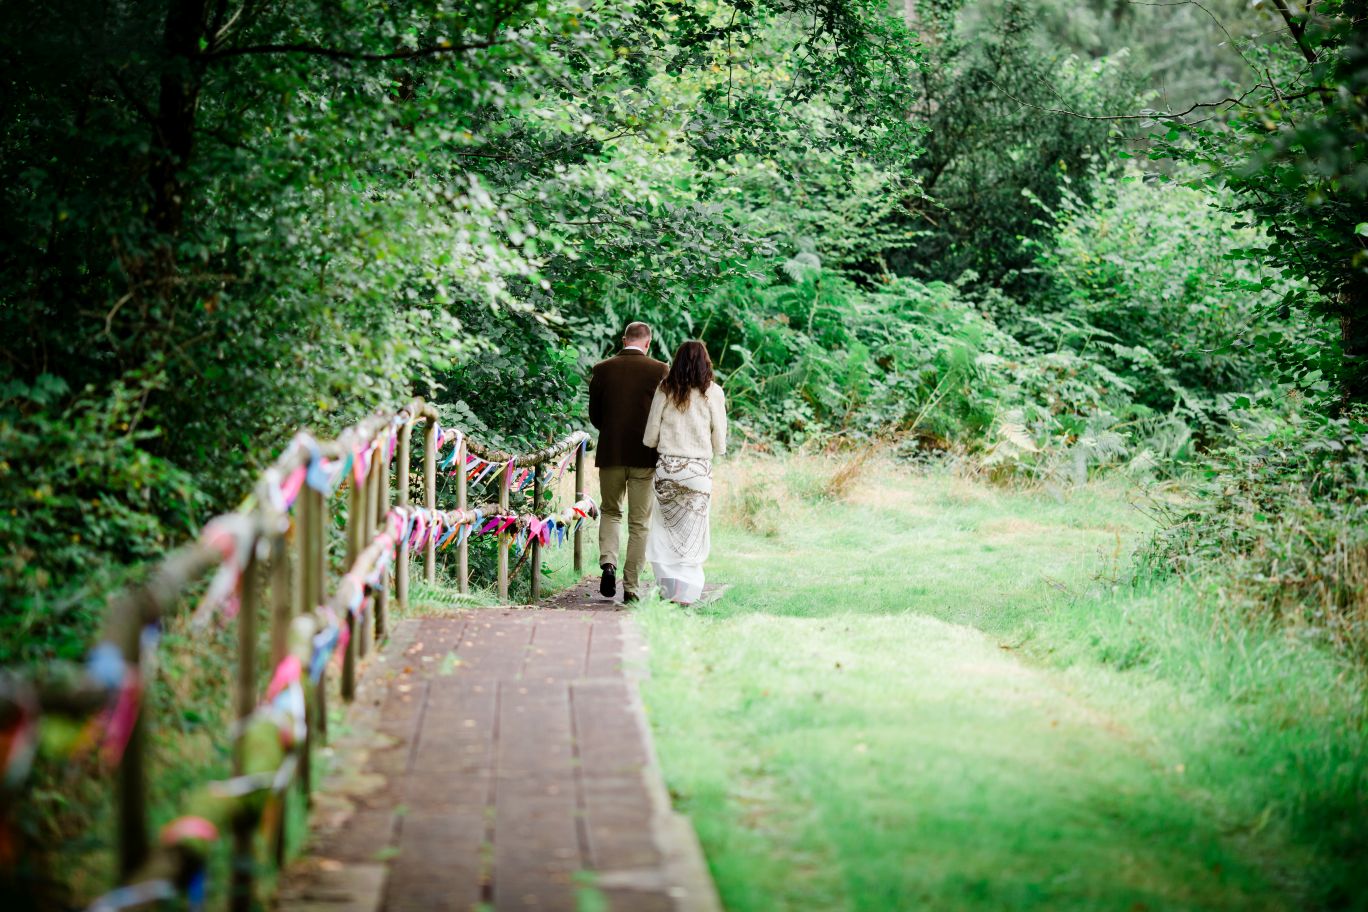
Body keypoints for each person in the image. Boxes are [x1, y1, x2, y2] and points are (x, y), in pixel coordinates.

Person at [588, 321, 669, 603]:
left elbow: (595, 416)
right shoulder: (660, 370)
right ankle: (631, 587)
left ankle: (608, 564)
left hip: (611, 453)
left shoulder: (602, 369)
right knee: (639, 523)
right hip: (644, 456)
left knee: (610, 511)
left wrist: (612, 431)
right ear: (648, 343)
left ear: (624, 340)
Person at [643, 340, 727, 605]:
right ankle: (688, 593)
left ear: (677, 362)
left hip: (668, 470)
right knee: (693, 532)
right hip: (698, 471)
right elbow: (720, 440)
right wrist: (713, 447)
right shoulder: (714, 392)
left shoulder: (665, 389)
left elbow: (650, 435)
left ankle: (669, 591)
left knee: (664, 530)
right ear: (706, 363)